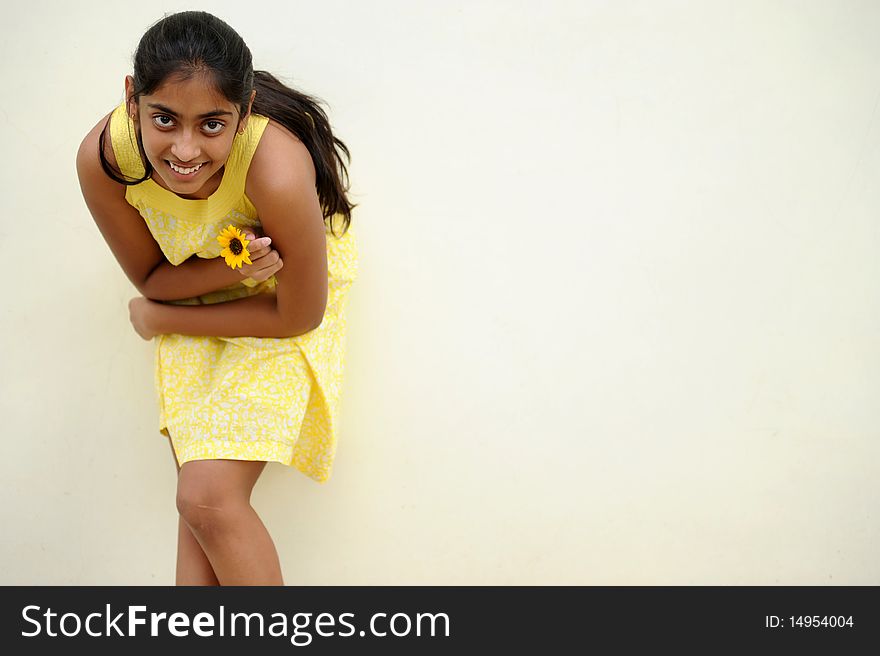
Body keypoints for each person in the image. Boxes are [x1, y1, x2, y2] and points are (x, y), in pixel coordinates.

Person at [76, 10, 358, 585]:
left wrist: (162, 317)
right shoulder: (105, 160)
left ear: (245, 110)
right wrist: (226, 266)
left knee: (207, 497)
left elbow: (300, 314)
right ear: (132, 98)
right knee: (197, 510)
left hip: (290, 287)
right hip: (200, 283)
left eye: (212, 124)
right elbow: (152, 277)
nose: (185, 149)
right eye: (164, 119)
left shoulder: (274, 171)